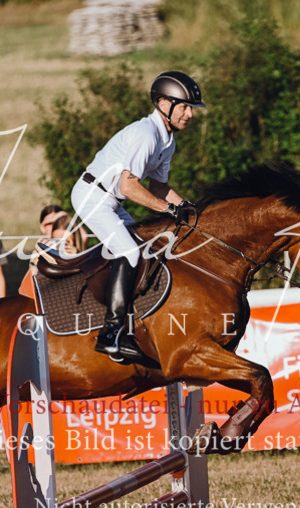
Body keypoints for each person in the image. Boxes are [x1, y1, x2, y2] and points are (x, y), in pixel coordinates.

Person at [71, 70, 204, 363]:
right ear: (162, 103)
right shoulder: (145, 135)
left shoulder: (167, 140)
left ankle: (132, 326)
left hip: (111, 199)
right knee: (130, 253)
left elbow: (159, 187)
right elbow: (128, 186)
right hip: (93, 196)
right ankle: (111, 334)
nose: (189, 114)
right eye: (184, 106)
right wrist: (169, 210)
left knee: (147, 248)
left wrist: (191, 211)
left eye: (190, 107)